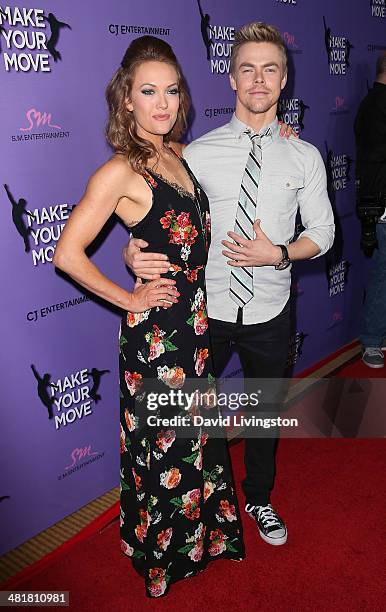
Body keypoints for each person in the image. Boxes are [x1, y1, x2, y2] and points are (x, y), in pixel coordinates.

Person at [124, 22, 335, 547]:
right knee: (199, 418)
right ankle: (206, 507)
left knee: (265, 415)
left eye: (270, 69)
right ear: (231, 80)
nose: (258, 80)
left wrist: (279, 253)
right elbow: (160, 216)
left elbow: (325, 234)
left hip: (270, 311)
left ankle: (259, 498)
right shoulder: (195, 153)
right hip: (202, 312)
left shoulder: (303, 155)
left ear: (284, 80)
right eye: (248, 69)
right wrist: (135, 249)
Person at [53, 36, 246, 598]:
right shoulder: (120, 170)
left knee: (197, 439)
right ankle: (162, 558)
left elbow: (235, 150)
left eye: (171, 90)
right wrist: (131, 296)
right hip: (158, 336)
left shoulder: (180, 154)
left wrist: (277, 128)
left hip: (196, 325)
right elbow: (67, 253)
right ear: (126, 100)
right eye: (148, 91)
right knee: (163, 446)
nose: (162, 103)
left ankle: (203, 539)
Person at [354, 51, 386, 369]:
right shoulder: (377, 107)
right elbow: (374, 160)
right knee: (383, 276)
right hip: (382, 206)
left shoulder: (375, 103)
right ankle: (373, 341)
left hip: (378, 204)